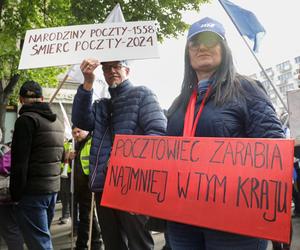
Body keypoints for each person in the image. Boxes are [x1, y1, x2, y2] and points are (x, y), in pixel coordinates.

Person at [166, 17, 285, 250]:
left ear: (225, 49)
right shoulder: (179, 103)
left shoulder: (246, 89)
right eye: (195, 42)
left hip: (234, 221)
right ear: (187, 53)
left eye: (211, 40)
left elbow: (273, 148)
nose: (202, 47)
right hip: (183, 220)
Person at [72, 59, 167, 250]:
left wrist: (125, 162)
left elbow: (158, 134)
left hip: (132, 185)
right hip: (103, 186)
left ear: (127, 70)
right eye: (107, 68)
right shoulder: (101, 105)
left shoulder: (143, 94)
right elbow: (80, 119)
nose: (112, 71)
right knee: (112, 243)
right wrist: (88, 82)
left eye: (117, 66)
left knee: (139, 243)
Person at [9, 80, 64, 250]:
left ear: (20, 99)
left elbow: (19, 162)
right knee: (42, 238)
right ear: (42, 98)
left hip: (32, 192)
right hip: (52, 190)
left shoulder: (25, 120)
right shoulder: (57, 122)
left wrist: (15, 195)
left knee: (39, 243)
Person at [69, 126, 102, 250]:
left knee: (85, 218)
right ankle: (95, 243)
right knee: (88, 217)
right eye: (74, 133)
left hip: (89, 188)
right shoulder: (78, 145)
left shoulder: (90, 142)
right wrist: (70, 157)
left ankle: (83, 245)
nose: (76, 134)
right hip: (81, 188)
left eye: (79, 131)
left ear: (85, 131)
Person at [0, 128, 24, 250]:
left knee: (10, 229)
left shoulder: (7, 150)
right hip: (13, 194)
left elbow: (5, 168)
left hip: (6, 196)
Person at [58, 138, 72, 225]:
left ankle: (66, 215)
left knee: (67, 194)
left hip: (68, 173)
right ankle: (65, 214)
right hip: (60, 171)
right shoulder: (60, 144)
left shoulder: (69, 144)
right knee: (62, 194)